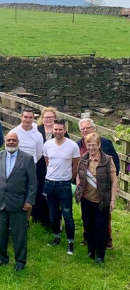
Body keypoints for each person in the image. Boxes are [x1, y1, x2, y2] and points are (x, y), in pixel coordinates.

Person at [0, 132, 37, 271]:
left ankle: (20, 261)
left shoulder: (26, 158)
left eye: (14, 140)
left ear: (18, 142)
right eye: (9, 140)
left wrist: (29, 201)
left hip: (19, 203)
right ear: (5, 141)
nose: (11, 142)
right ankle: (1, 258)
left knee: (19, 235)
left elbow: (33, 183)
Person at [76, 118, 119, 250]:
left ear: (94, 128)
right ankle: (88, 239)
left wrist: (110, 184)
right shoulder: (78, 145)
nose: (85, 130)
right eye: (82, 128)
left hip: (102, 188)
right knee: (87, 218)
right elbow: (78, 169)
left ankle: (107, 241)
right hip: (87, 190)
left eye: (87, 127)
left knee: (103, 220)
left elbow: (115, 163)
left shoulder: (106, 143)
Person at [43, 119, 80, 255]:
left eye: (60, 129)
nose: (58, 132)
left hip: (64, 184)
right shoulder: (47, 145)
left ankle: (70, 242)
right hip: (50, 183)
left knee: (67, 215)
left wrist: (68, 179)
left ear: (65, 130)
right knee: (53, 214)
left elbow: (75, 165)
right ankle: (56, 237)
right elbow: (48, 162)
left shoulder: (72, 146)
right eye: (55, 129)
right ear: (53, 130)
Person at [34, 107, 69, 225]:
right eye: (46, 117)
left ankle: (53, 221)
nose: (48, 119)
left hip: (56, 168)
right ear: (42, 119)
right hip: (40, 167)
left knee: (53, 196)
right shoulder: (37, 130)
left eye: (51, 117)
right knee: (39, 193)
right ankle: (38, 218)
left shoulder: (60, 132)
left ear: (55, 118)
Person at [10, 108, 43, 223]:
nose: (28, 120)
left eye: (30, 117)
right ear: (21, 117)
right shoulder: (15, 132)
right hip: (15, 168)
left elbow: (39, 153)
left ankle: (26, 220)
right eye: (25, 117)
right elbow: (9, 150)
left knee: (29, 194)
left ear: (33, 119)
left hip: (31, 169)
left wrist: (30, 163)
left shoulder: (38, 135)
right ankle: (14, 217)